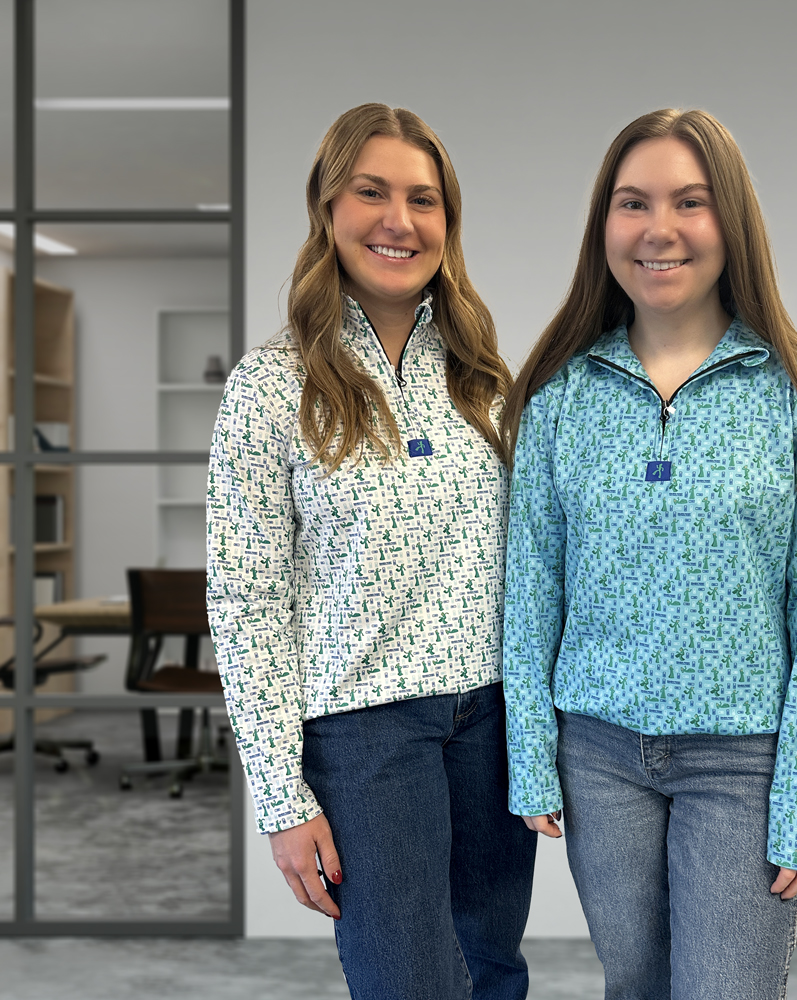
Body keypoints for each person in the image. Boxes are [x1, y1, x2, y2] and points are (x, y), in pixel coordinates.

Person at [500, 108, 797, 1000]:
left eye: (689, 203)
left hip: (743, 763)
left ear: (729, 223)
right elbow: (530, 583)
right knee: (634, 986)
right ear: (605, 226)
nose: (658, 229)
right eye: (633, 203)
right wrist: (530, 752)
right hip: (597, 752)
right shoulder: (559, 395)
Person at [207, 103, 536, 1000]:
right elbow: (244, 602)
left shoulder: (488, 382)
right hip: (364, 733)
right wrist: (281, 798)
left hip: (492, 726)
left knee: (493, 971)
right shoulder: (271, 386)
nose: (401, 220)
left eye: (423, 199)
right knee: (411, 984)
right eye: (372, 192)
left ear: (448, 223)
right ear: (327, 207)